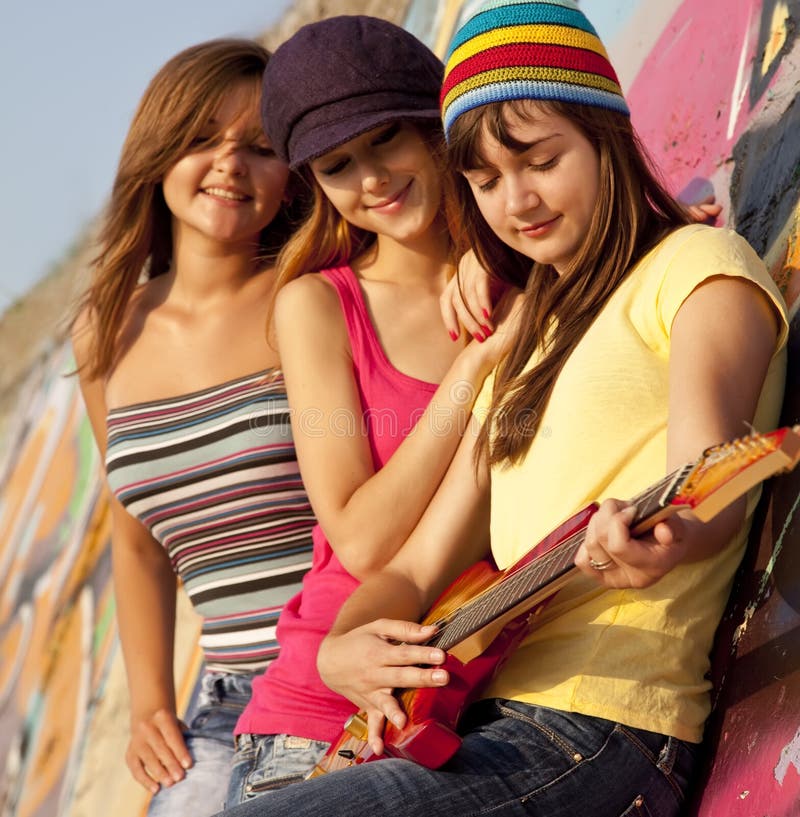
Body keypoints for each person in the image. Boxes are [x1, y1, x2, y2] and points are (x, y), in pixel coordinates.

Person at [215, 2, 788, 815]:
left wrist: (670, 538)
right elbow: (410, 569)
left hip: (600, 726)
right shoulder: (522, 337)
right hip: (477, 726)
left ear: (605, 133)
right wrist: (346, 646)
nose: (516, 201)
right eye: (484, 180)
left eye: (541, 161)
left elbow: (706, 484)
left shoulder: (698, 270)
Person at [223, 15, 517, 805]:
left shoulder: (523, 268)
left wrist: (505, 275)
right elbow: (357, 533)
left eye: (386, 139)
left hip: (472, 713)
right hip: (319, 720)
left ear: (433, 123)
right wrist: (476, 363)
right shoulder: (318, 306)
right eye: (337, 166)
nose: (371, 180)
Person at [70, 39, 317, 817]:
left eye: (259, 146)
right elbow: (136, 535)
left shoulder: (312, 294)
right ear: (158, 152)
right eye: (203, 139)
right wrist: (150, 703)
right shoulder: (106, 332)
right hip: (222, 703)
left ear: (292, 173)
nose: (229, 165)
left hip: (332, 676)